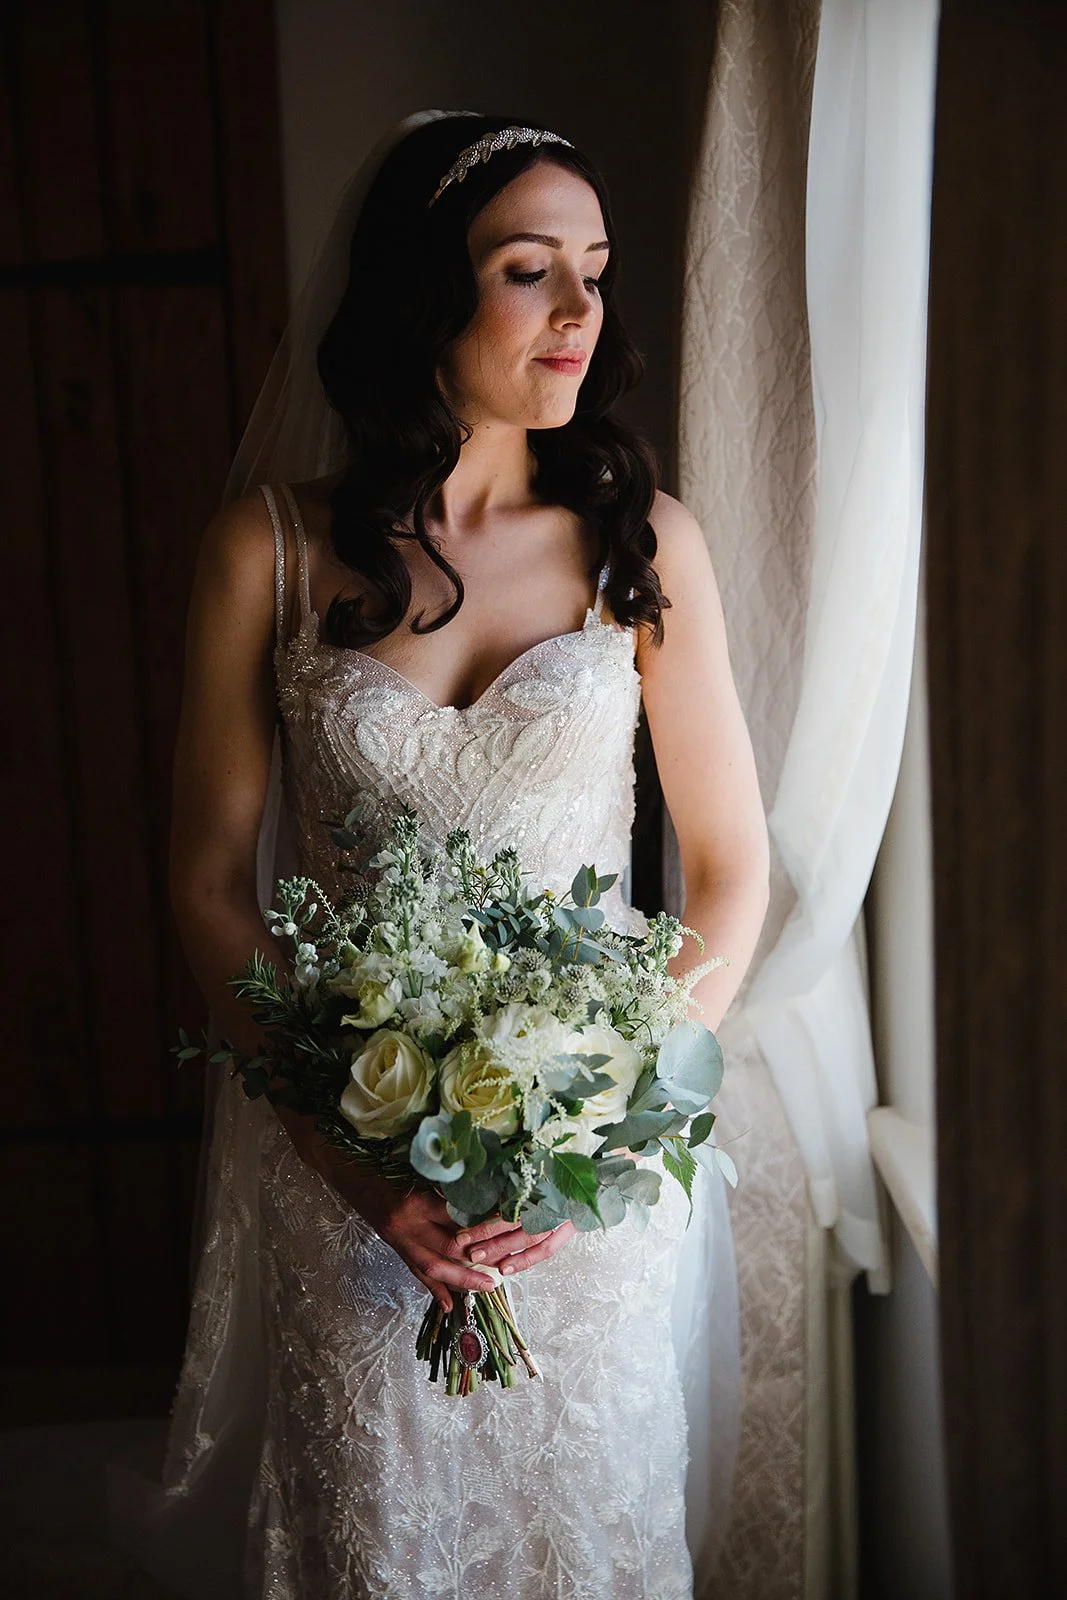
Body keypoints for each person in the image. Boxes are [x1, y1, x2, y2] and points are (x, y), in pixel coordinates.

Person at [110, 110, 769, 1599]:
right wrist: (357, 1167)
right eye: (530, 269)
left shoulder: (638, 546)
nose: (582, 311)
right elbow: (211, 881)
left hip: (583, 1202)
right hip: (351, 1185)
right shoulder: (266, 552)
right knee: (377, 1547)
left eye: (595, 271)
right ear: (426, 292)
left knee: (587, 1544)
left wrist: (605, 1118)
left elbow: (729, 870)